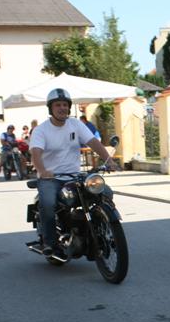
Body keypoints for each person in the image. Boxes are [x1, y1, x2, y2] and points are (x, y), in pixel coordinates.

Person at [29, 88, 118, 262]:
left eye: (65, 105)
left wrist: (109, 160)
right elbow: (36, 153)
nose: (62, 108)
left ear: (69, 107)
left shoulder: (75, 124)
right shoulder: (41, 130)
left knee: (105, 192)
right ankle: (50, 244)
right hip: (52, 177)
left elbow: (93, 142)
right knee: (47, 204)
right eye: (58, 105)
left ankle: (102, 228)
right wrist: (42, 171)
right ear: (50, 108)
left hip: (75, 175)